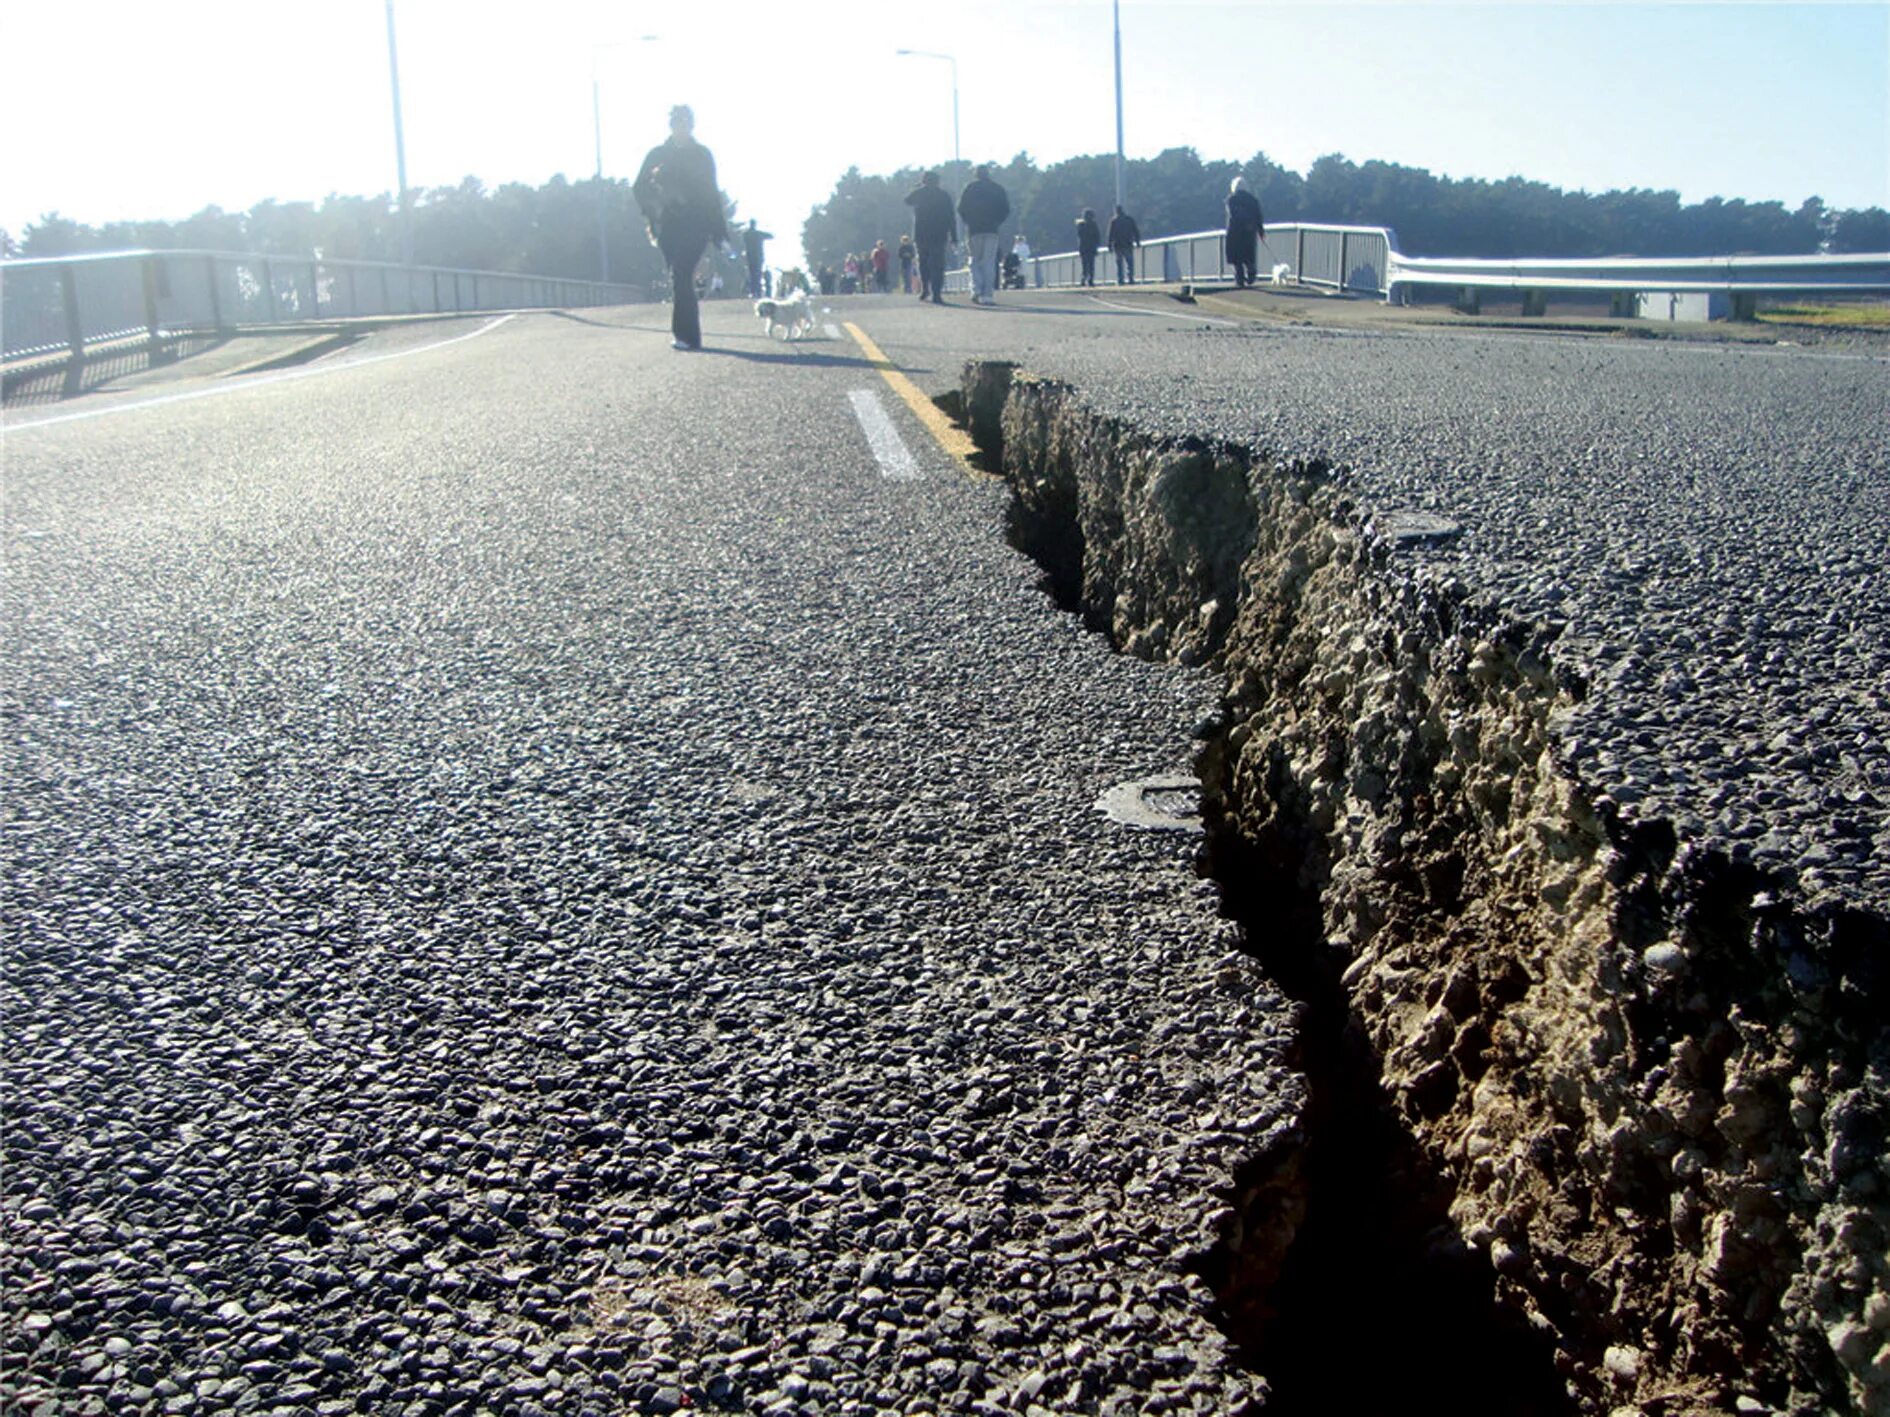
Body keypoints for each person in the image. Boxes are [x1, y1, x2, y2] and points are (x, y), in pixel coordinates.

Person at [632, 104, 729, 351]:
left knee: (682, 272)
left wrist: (719, 232)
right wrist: (655, 207)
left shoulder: (702, 155)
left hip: (696, 224)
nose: (681, 126)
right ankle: (688, 335)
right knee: (679, 277)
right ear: (671, 125)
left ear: (692, 124)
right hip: (668, 226)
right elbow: (639, 188)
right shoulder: (657, 154)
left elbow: (711, 192)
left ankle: (686, 336)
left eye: (685, 122)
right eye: (677, 122)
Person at [957, 164, 1010, 305]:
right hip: (992, 229)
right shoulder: (997, 189)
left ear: (976, 174)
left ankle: (976, 289)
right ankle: (988, 294)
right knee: (989, 262)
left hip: (974, 230)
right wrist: (997, 222)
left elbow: (961, 209)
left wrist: (968, 221)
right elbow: (1006, 209)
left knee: (975, 260)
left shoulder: (970, 188)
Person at [903, 170, 956, 304]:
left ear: (924, 181)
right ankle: (937, 292)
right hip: (939, 234)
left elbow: (907, 200)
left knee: (923, 263)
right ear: (938, 181)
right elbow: (951, 217)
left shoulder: (919, 193)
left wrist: (916, 187)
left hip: (922, 234)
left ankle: (925, 288)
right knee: (938, 264)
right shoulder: (944, 196)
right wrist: (954, 235)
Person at [1225, 176, 1266, 289]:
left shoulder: (1231, 199)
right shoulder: (1253, 200)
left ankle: (1240, 281)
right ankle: (1251, 272)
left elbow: (1233, 215)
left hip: (1235, 232)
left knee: (1236, 259)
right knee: (1248, 256)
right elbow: (1259, 216)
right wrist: (1260, 231)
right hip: (1249, 231)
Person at [1107, 204, 1141, 285]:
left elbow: (1110, 234)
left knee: (1119, 263)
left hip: (1118, 245)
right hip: (1128, 243)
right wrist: (1137, 241)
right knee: (1130, 262)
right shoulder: (1129, 219)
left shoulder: (1114, 221)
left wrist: (1109, 245)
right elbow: (1135, 231)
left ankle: (1120, 279)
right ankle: (1130, 278)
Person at [741, 219, 772, 298]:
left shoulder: (746, 234)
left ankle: (753, 291)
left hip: (749, 257)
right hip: (758, 257)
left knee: (752, 274)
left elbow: (742, 236)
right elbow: (771, 236)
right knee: (757, 274)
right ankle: (757, 291)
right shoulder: (759, 234)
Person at [1075, 208, 1102, 287]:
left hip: (1084, 247)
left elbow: (1079, 236)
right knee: (1090, 265)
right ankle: (1090, 279)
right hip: (1091, 247)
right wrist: (1097, 245)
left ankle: (1085, 279)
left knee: (1085, 265)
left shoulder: (1081, 225)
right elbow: (1097, 236)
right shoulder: (1093, 225)